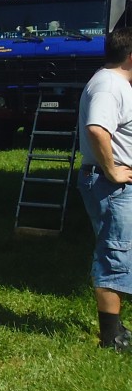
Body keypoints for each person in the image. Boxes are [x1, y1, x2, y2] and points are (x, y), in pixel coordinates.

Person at [77, 25, 132, 352]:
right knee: (114, 253)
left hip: (114, 183)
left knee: (120, 249)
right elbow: (97, 129)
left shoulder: (116, 83)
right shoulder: (109, 86)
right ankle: (111, 338)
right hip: (110, 184)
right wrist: (112, 171)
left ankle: (115, 326)